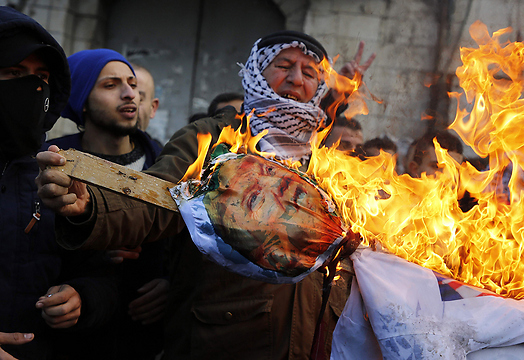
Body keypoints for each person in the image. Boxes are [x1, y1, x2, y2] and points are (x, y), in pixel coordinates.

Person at [37, 30, 370, 359]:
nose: (296, 79)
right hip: (224, 337)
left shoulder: (332, 159)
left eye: (309, 72)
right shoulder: (214, 139)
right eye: (284, 65)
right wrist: (90, 208)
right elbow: (157, 202)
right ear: (257, 71)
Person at [0, 6, 118, 359]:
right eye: (14, 72)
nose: (34, 87)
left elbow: (101, 274)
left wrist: (81, 298)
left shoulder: (59, 169)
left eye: (43, 76)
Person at [47, 49, 167, 359]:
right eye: (110, 85)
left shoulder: (166, 163)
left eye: (131, 83)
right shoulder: (54, 162)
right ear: (82, 101)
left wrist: (172, 284)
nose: (131, 94)